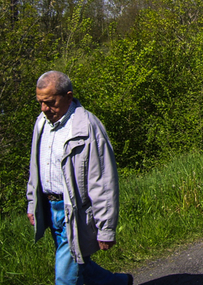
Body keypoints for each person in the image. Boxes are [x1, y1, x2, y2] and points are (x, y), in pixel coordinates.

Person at [26, 71, 132, 285]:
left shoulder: (88, 128)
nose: (44, 109)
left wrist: (106, 228)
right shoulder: (42, 123)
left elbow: (102, 181)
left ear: (68, 96)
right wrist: (32, 203)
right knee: (78, 262)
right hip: (50, 208)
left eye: (50, 102)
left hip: (74, 212)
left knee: (65, 277)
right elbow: (35, 168)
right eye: (40, 103)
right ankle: (118, 283)